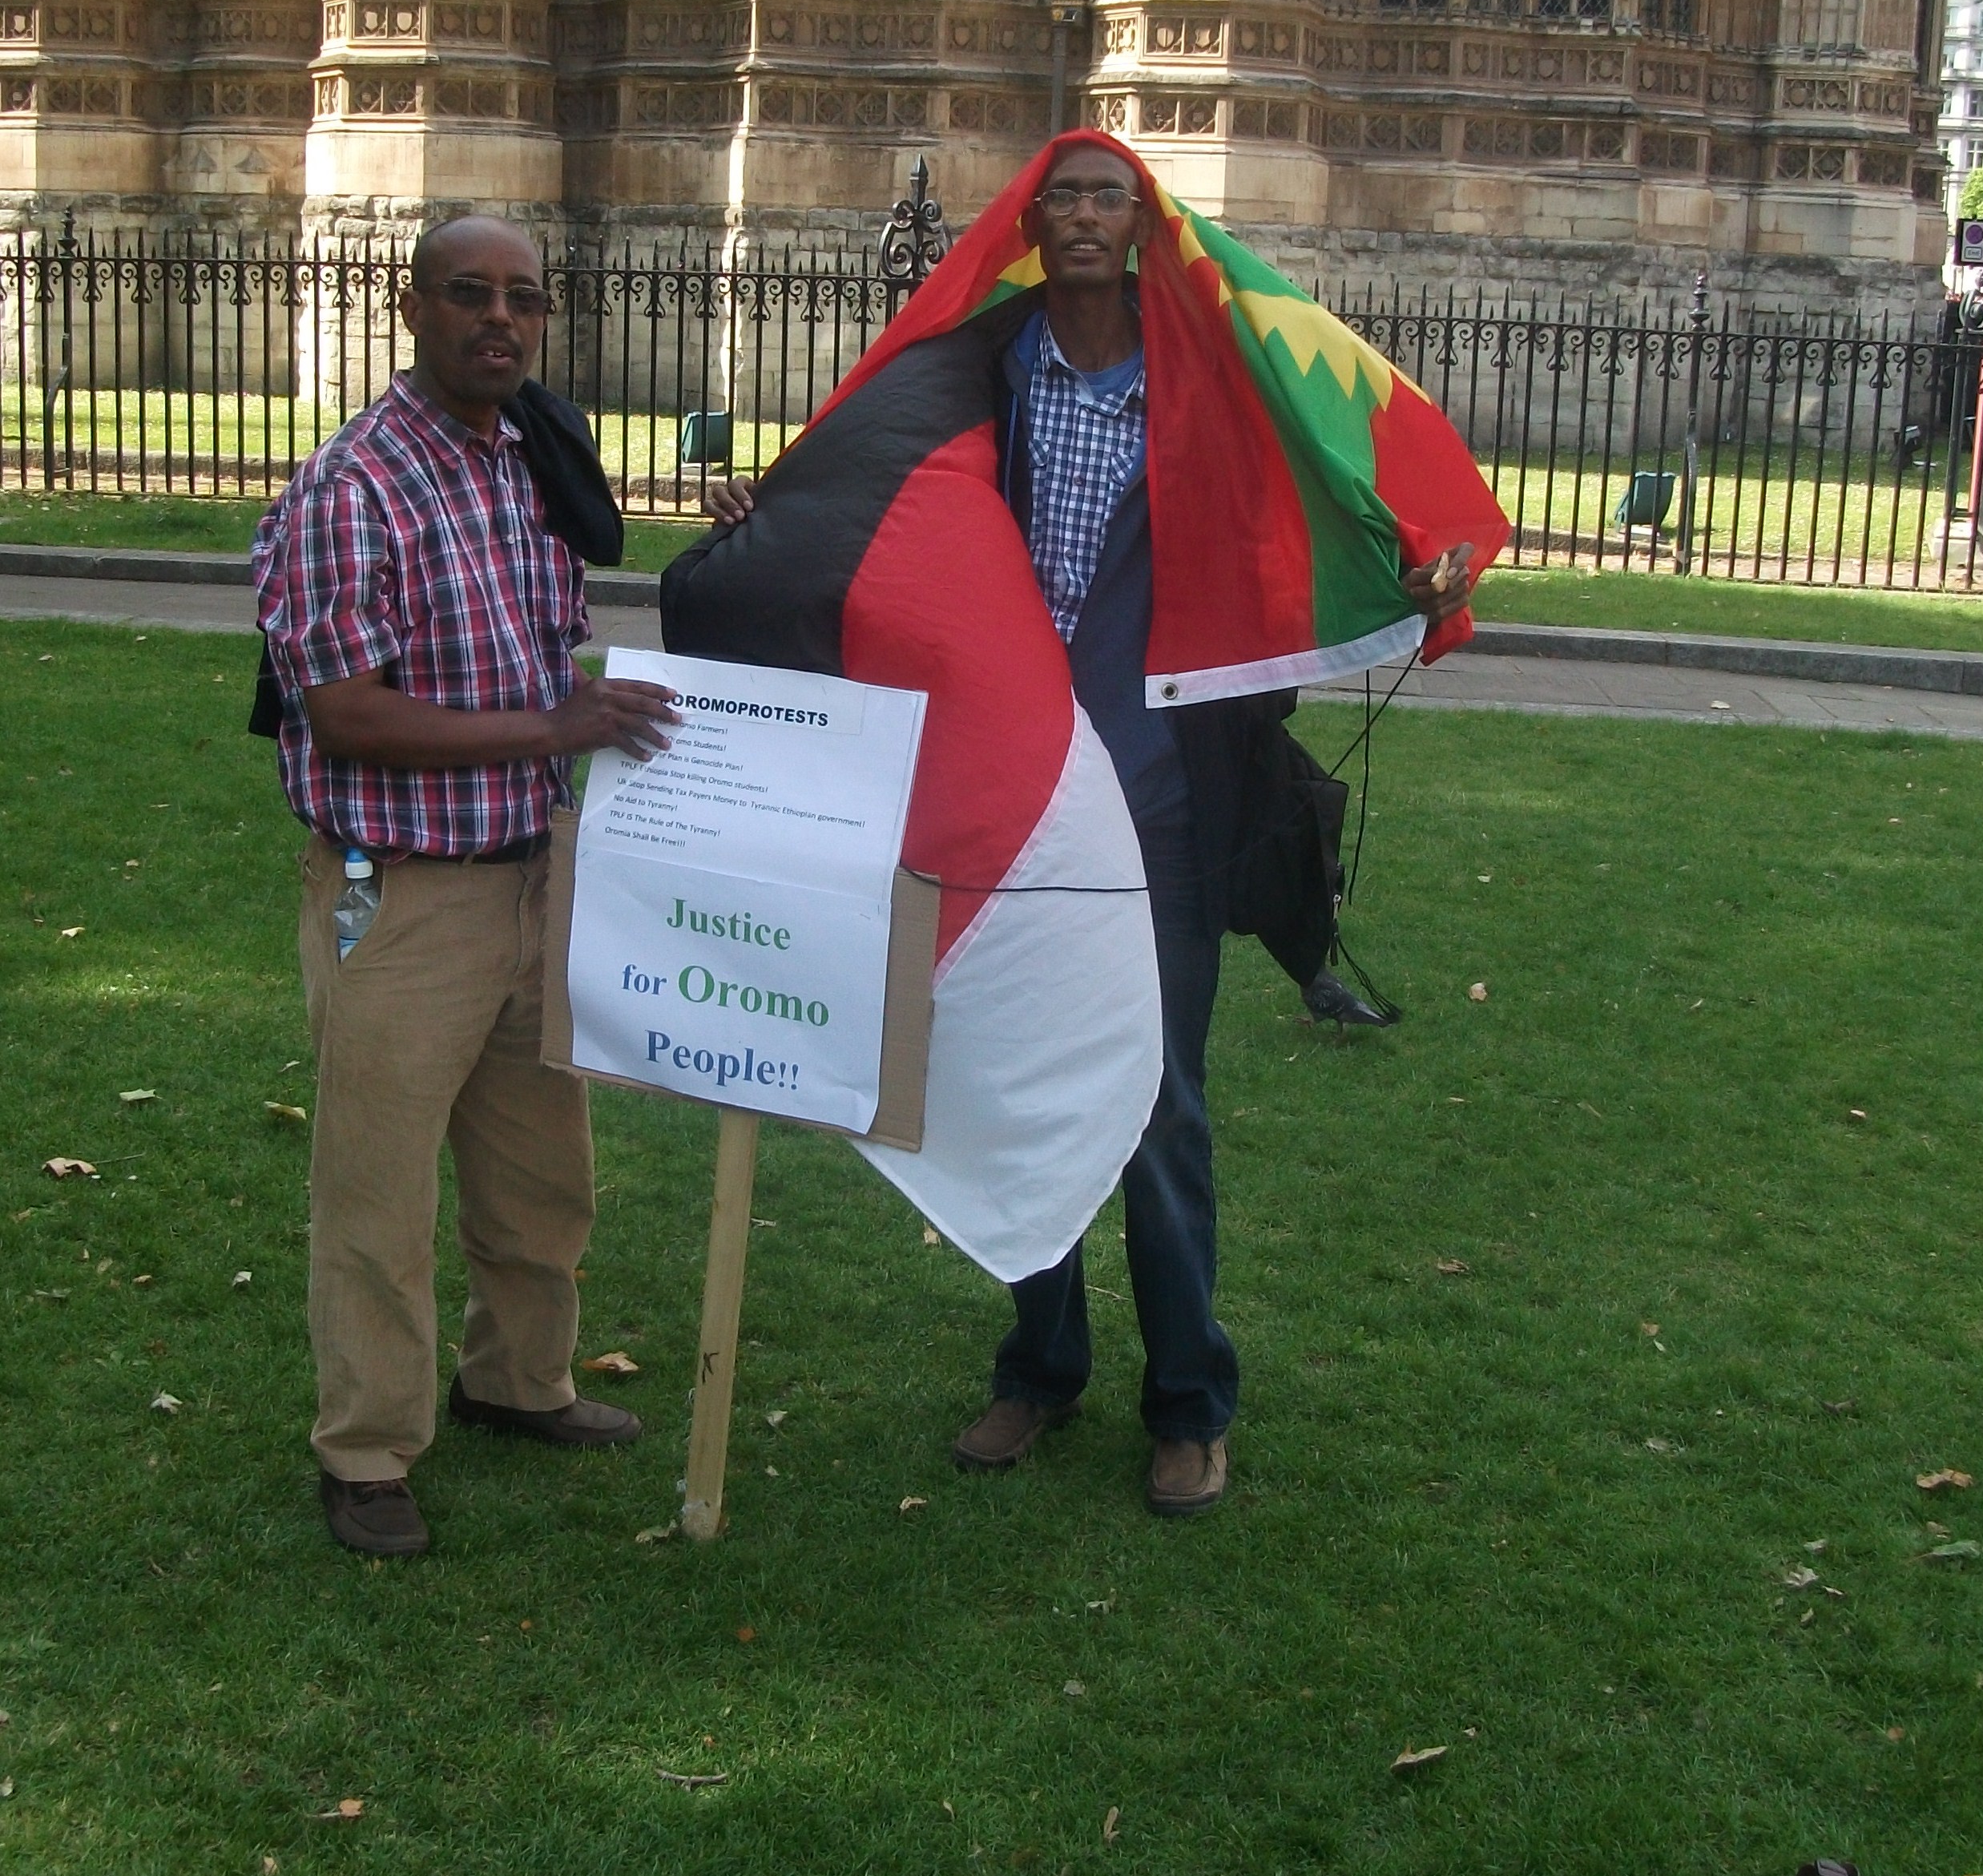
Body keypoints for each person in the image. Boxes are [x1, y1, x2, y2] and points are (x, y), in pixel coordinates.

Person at [703, 138, 1475, 1515]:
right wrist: (774, 507)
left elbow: (1316, 504)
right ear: (1030, 222)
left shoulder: (1212, 388)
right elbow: (870, 494)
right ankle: (1037, 1366)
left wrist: (1406, 568)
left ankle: (1188, 1399)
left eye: (1104, 196)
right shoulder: (972, 375)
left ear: (1141, 227)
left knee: (1159, 1106)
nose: (1078, 216)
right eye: (1058, 194)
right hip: (1003, 794)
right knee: (1009, 1065)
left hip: (1157, 805)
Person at [251, 216, 681, 1558]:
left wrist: (589, 702)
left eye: (523, 300)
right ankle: (367, 1448)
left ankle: (518, 1381)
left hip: (529, 880)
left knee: (540, 1170)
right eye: (469, 295)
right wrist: (560, 729)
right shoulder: (354, 485)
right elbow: (346, 713)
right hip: (406, 895)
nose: (500, 319)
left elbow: (543, 650)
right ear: (411, 307)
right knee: (377, 1191)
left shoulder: (519, 462)